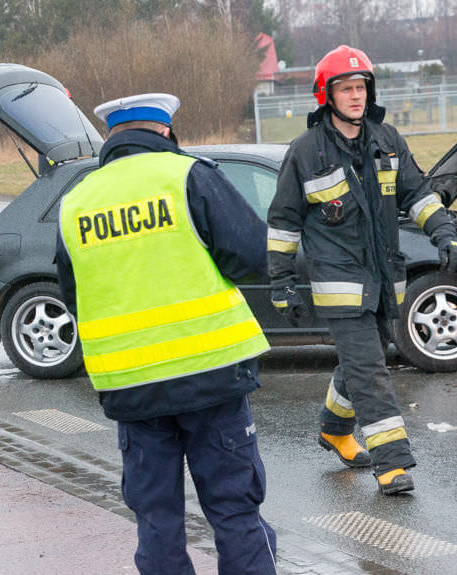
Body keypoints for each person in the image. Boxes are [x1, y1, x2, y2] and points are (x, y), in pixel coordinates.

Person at [56, 93, 277, 574]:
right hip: (211, 375)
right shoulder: (188, 175)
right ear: (164, 133)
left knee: (156, 520)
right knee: (235, 511)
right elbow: (252, 255)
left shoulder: (75, 202)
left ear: (112, 140)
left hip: (131, 385)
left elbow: (72, 293)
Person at [266, 45, 457, 495]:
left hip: (382, 278)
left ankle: (335, 427)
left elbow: (419, 194)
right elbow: (283, 223)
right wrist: (281, 282)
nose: (356, 96)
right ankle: (392, 463)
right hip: (339, 282)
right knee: (371, 369)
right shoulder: (305, 151)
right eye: (346, 89)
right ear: (326, 95)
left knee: (360, 362)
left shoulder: (387, 139)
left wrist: (444, 235)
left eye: (361, 87)